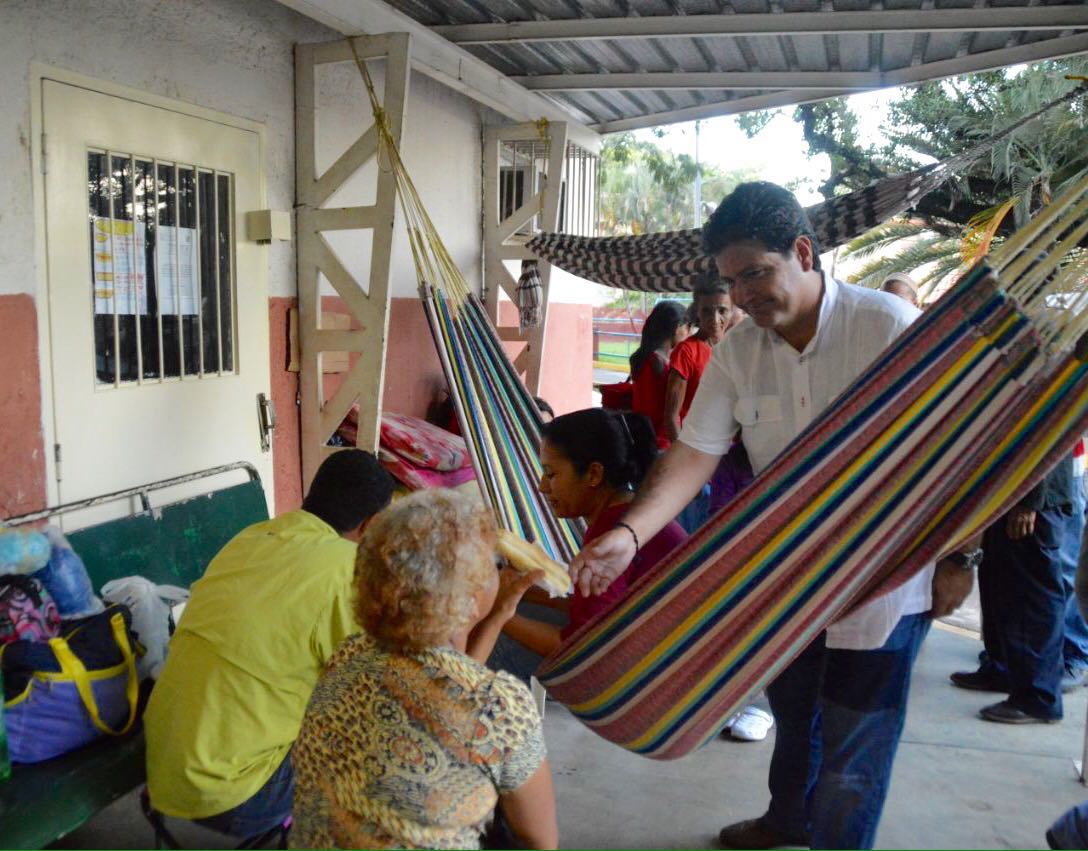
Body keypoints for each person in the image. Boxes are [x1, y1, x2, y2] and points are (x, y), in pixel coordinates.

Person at [569, 182, 975, 850]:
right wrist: (627, 532)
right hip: (788, 583)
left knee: (853, 752)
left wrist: (962, 557)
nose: (745, 295)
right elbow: (694, 455)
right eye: (734, 280)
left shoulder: (887, 329)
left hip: (882, 588)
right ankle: (787, 817)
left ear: (804, 252)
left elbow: (961, 451)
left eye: (757, 273)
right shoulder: (737, 353)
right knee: (793, 715)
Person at [145, 449, 395, 838]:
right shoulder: (344, 570)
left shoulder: (251, 537)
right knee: (382, 743)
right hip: (235, 793)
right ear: (372, 524)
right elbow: (374, 689)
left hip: (163, 765)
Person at [290, 489, 558, 850]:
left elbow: (442, 699)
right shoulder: (499, 708)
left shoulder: (348, 657)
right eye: (494, 565)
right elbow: (540, 841)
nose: (499, 572)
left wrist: (495, 619)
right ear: (468, 594)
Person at [497, 409, 687, 664]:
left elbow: (579, 647)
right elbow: (602, 612)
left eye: (551, 474)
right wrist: (523, 591)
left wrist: (496, 612)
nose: (542, 487)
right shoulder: (628, 516)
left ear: (593, 474)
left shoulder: (610, 532)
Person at [952, 452, 1079, 723]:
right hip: (1009, 492)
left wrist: (1028, 500)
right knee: (1001, 586)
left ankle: (1038, 697)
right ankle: (1002, 669)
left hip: (1032, 497)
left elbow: (1047, 435)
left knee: (1031, 598)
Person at [664, 279, 742, 443]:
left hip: (731, 448)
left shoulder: (736, 348)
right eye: (707, 311)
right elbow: (671, 417)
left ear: (732, 311)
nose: (715, 318)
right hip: (697, 448)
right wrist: (683, 458)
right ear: (697, 312)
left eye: (722, 310)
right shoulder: (686, 352)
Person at [630, 301, 692, 449]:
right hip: (662, 440)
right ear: (677, 328)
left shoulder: (645, 357)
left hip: (643, 437)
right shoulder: (660, 363)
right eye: (687, 326)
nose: (689, 333)